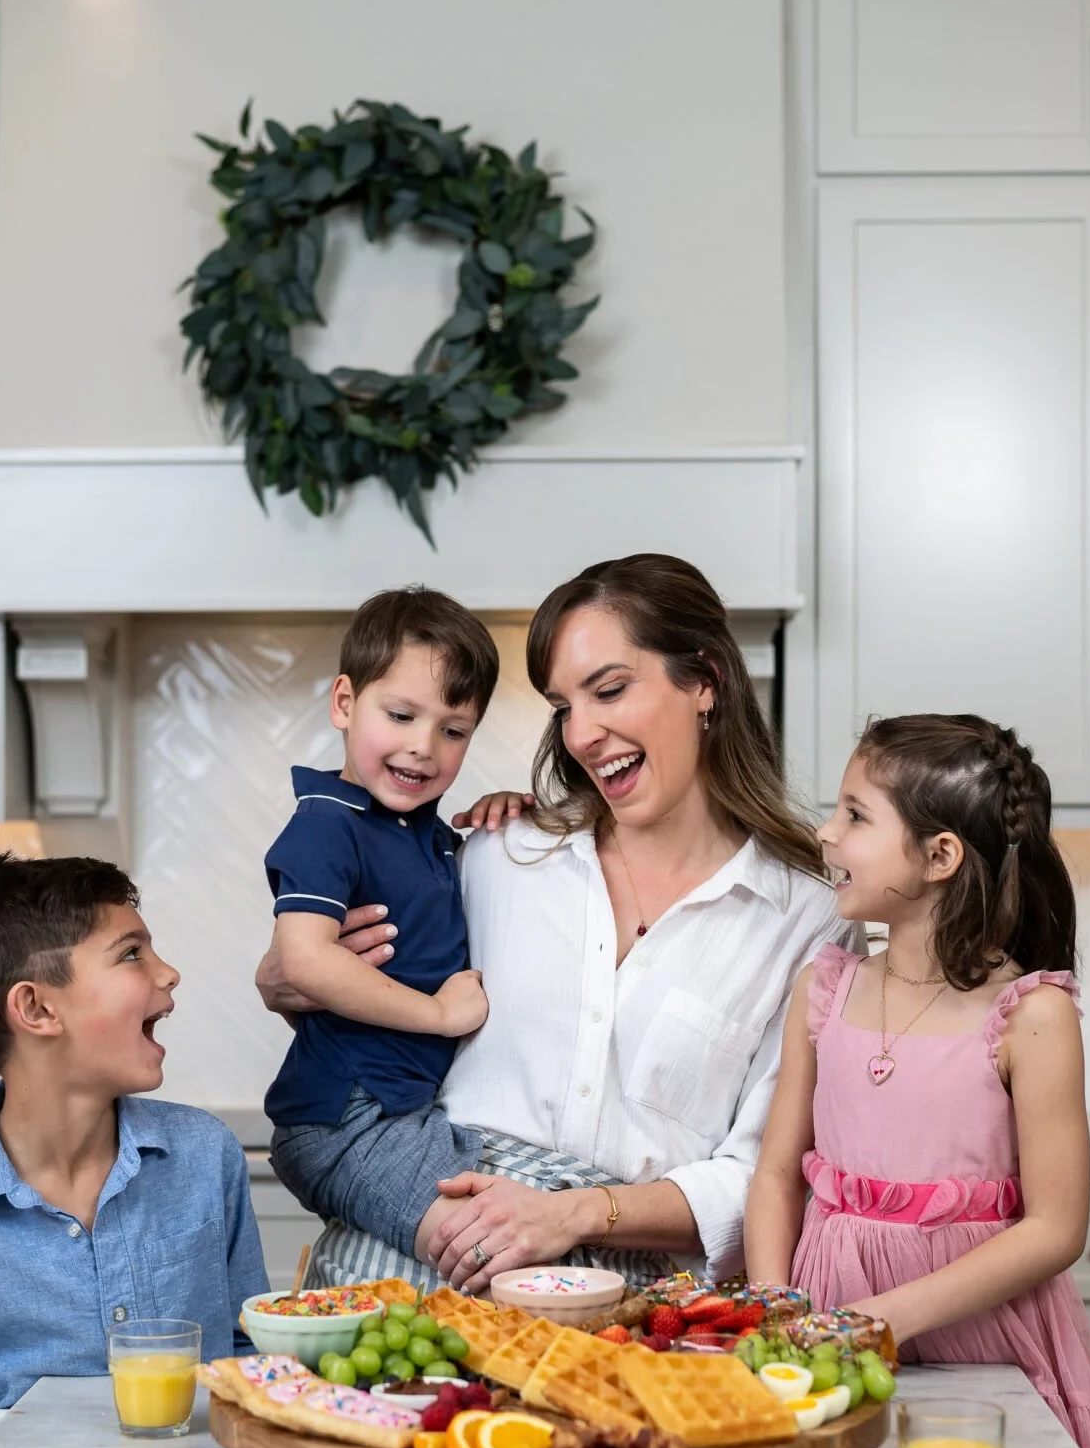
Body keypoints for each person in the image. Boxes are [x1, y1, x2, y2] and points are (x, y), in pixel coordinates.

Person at [258, 553, 860, 1294]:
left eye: (609, 690)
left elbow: (764, 1180)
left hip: (625, 1310)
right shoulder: (498, 854)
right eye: (563, 707)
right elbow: (342, 991)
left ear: (705, 681)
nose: (581, 735)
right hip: (407, 1275)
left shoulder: (807, 917)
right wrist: (289, 973)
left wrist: (575, 1214)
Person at [744, 713, 1090, 1448]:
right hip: (830, 1322)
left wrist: (881, 1318)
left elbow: (1056, 1230)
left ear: (939, 856)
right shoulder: (825, 988)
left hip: (986, 1340)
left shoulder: (1033, 1013)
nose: (826, 834)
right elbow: (779, 1172)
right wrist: (775, 1311)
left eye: (855, 815)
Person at [0, 853, 268, 1409]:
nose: (168, 973)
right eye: (132, 954)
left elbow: (250, 1351)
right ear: (37, 1008)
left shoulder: (205, 1154)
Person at [263, 586, 501, 1256]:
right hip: (348, 1116)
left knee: (514, 1227)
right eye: (400, 715)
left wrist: (511, 809)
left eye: (453, 731)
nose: (424, 747)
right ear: (345, 702)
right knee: (485, 1248)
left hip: (405, 1111)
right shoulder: (325, 825)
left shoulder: (423, 835)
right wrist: (440, 1015)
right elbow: (305, 961)